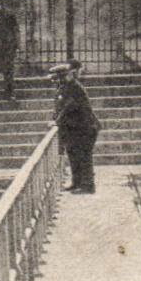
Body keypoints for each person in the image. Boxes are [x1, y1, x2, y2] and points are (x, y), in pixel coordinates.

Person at [49, 62, 99, 194]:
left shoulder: (73, 88)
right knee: (74, 156)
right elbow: (59, 107)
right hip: (74, 129)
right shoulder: (64, 88)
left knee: (84, 157)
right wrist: (55, 119)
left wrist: (57, 121)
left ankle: (88, 186)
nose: (55, 82)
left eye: (57, 78)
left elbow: (69, 107)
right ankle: (77, 183)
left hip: (85, 128)